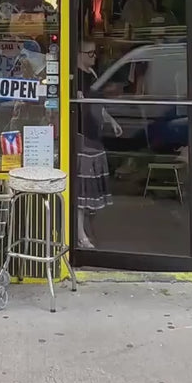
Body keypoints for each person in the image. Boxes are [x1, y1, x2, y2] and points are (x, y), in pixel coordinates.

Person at [73, 41, 113, 249]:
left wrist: (111, 121)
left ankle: (87, 231)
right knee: (82, 191)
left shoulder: (93, 74)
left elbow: (99, 105)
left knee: (90, 194)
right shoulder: (75, 78)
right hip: (82, 136)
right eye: (90, 53)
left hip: (94, 136)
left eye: (95, 53)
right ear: (79, 54)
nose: (94, 57)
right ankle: (80, 235)